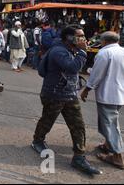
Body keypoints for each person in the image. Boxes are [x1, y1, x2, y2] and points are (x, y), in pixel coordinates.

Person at [32, 25, 102, 176]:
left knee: (78, 125)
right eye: (80, 36)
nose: (83, 39)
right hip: (54, 94)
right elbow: (71, 68)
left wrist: (80, 51)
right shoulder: (58, 51)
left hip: (69, 95)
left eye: (83, 36)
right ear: (69, 38)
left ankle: (79, 157)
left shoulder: (72, 50)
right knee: (47, 120)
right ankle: (37, 140)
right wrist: (83, 52)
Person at [81, 32, 124, 170]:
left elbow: (96, 74)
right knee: (110, 121)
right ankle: (107, 145)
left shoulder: (104, 53)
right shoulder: (122, 51)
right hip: (119, 94)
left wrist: (87, 89)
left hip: (108, 95)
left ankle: (117, 156)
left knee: (110, 124)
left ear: (104, 41)